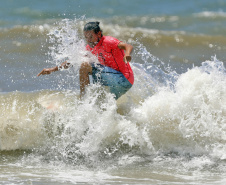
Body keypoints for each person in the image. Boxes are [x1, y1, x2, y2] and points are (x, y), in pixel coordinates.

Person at [38, 21, 134, 99]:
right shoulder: (90, 48)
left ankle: (83, 99)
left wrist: (127, 54)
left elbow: (127, 46)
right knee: (100, 106)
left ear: (99, 34)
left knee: (85, 66)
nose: (89, 40)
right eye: (86, 37)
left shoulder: (108, 41)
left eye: (91, 37)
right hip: (118, 84)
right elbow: (73, 61)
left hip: (124, 78)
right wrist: (52, 69)